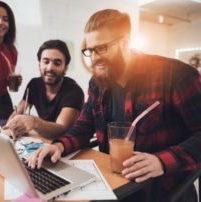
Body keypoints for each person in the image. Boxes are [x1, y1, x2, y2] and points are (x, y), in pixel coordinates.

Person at [27, 9, 201, 201]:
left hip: (162, 190)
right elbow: (84, 124)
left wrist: (162, 161)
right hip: (115, 185)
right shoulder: (97, 82)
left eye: (101, 48)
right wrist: (59, 146)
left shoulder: (175, 75)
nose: (94, 58)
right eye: (90, 50)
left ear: (125, 42)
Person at [2, 39, 85, 140]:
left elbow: (61, 130)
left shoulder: (74, 92)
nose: (50, 67)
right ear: (39, 65)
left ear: (65, 68)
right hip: (45, 141)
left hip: (67, 146)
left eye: (57, 63)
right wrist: (8, 128)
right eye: (46, 62)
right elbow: (17, 112)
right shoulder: (34, 84)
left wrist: (34, 122)